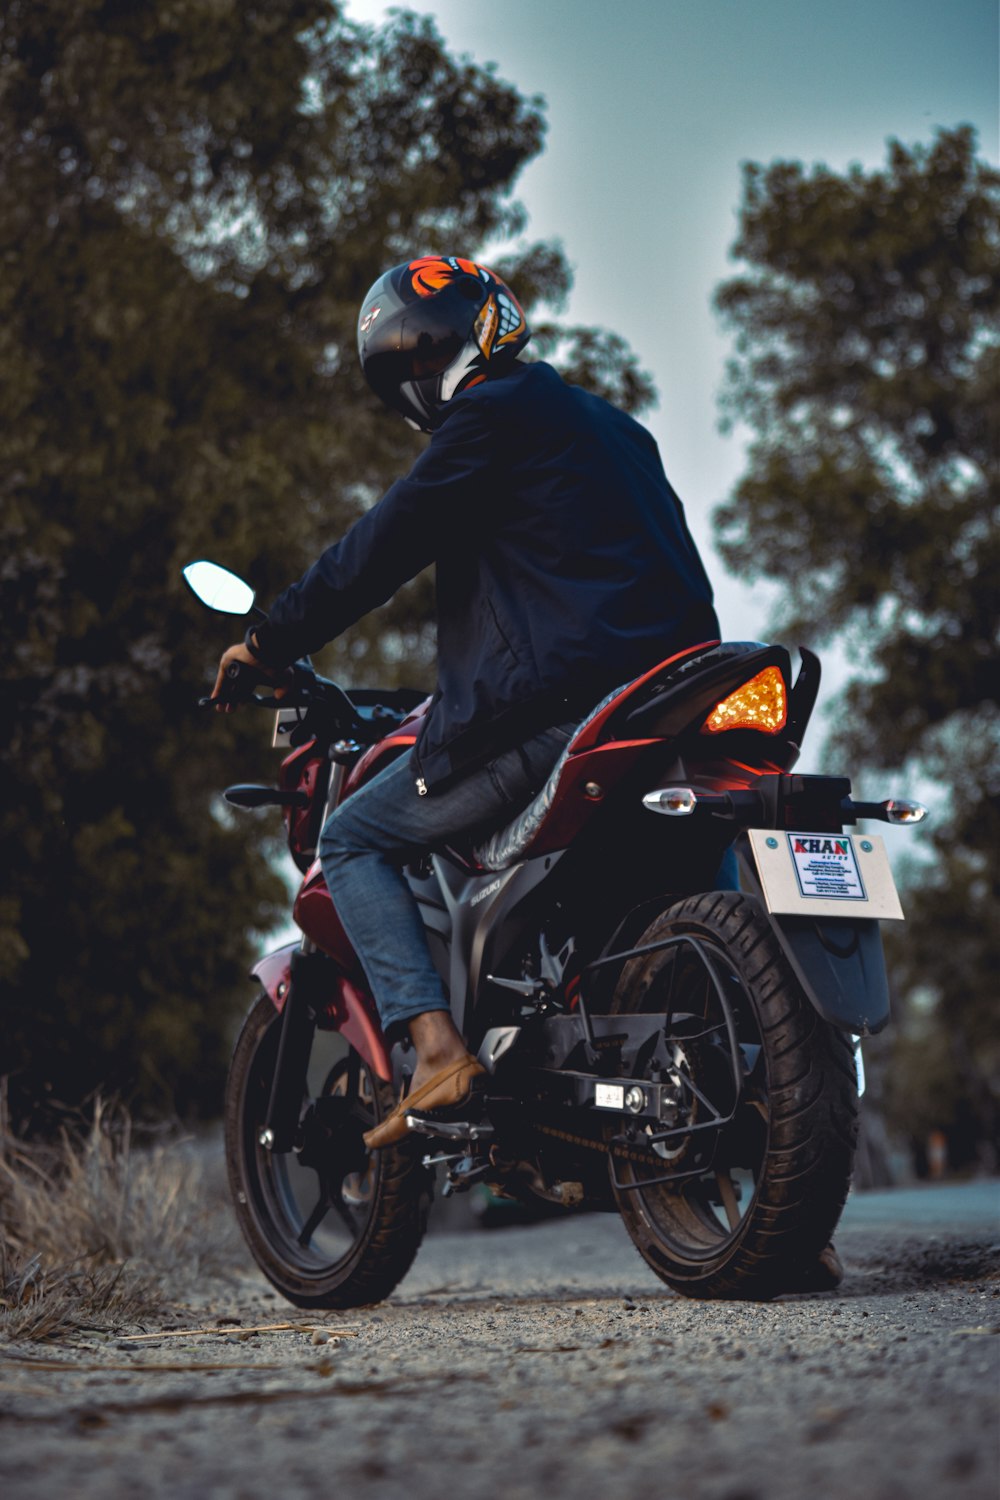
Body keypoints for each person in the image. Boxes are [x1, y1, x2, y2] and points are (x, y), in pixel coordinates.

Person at [213, 255, 720, 1151]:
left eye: (415, 358)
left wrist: (268, 639)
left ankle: (438, 1047)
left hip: (559, 714)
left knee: (354, 837)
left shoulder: (493, 417)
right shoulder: (612, 426)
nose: (417, 374)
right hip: (670, 695)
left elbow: (381, 545)